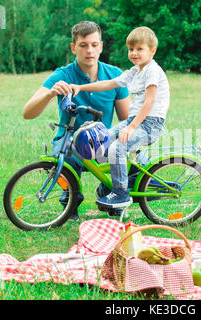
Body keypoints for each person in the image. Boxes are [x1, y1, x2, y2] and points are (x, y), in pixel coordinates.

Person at [22, 21, 130, 220]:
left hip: (102, 141)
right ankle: (70, 199)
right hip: (69, 141)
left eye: (94, 44)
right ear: (74, 48)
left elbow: (126, 118)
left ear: (101, 46)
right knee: (66, 157)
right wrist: (50, 94)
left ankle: (109, 192)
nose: (89, 50)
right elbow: (28, 112)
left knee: (131, 158)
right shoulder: (62, 75)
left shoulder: (115, 76)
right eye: (83, 45)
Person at [71, 26, 169, 208]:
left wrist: (131, 128)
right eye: (131, 49)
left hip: (150, 124)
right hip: (136, 120)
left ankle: (121, 193)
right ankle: (118, 181)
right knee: (103, 139)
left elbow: (149, 102)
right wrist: (80, 87)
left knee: (117, 147)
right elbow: (108, 84)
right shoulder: (135, 71)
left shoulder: (152, 71)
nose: (134, 53)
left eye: (140, 49)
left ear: (152, 51)